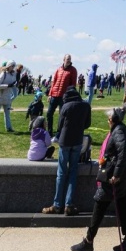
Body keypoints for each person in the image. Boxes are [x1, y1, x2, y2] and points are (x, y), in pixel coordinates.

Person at [71, 107, 126, 251]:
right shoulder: (121, 129)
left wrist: (117, 174)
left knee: (99, 205)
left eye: (108, 119)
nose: (107, 122)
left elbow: (123, 151)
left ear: (113, 120)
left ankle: (88, 241)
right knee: (123, 204)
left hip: (114, 175)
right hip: (121, 174)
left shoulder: (118, 131)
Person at [42, 86, 91, 216]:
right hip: (77, 141)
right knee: (73, 171)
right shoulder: (86, 105)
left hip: (65, 141)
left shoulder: (66, 106)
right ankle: (69, 205)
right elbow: (87, 124)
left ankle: (57, 204)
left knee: (61, 173)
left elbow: (59, 125)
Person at [46, 54, 78, 136]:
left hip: (64, 97)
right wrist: (50, 94)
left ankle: (59, 133)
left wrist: (70, 95)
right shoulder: (58, 69)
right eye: (67, 59)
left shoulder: (73, 70)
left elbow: (73, 84)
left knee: (62, 115)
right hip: (54, 95)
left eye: (70, 59)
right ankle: (49, 132)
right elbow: (54, 83)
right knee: (49, 113)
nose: (69, 60)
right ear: (63, 59)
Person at [0, 61, 17, 134]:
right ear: (9, 66)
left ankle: (9, 128)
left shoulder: (13, 74)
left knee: (7, 114)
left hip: (7, 96)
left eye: (14, 66)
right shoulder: (3, 74)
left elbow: (14, 82)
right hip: (0, 96)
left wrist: (14, 84)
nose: (13, 67)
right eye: (12, 66)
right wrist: (7, 85)